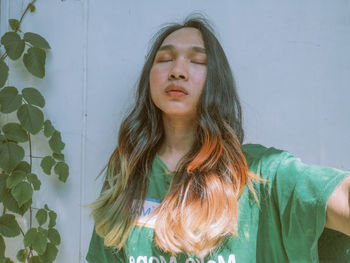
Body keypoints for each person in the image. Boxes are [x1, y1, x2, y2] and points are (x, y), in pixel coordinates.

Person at [86, 15, 350, 263]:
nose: (177, 70)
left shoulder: (261, 174)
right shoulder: (126, 170)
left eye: (198, 61)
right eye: (164, 59)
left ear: (216, 80)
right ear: (149, 79)